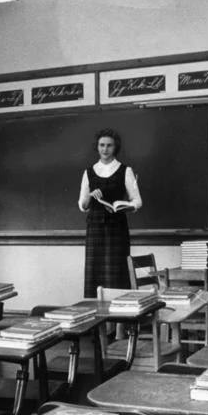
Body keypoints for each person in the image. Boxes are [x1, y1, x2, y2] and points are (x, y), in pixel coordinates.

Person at [77, 128, 143, 298]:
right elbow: (82, 204)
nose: (105, 149)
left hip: (117, 228)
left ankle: (119, 321)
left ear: (116, 147)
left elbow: (137, 201)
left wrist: (126, 205)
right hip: (95, 228)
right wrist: (90, 196)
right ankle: (98, 321)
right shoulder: (89, 172)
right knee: (95, 272)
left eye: (109, 145)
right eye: (101, 145)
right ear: (97, 147)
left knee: (117, 274)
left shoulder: (125, 170)